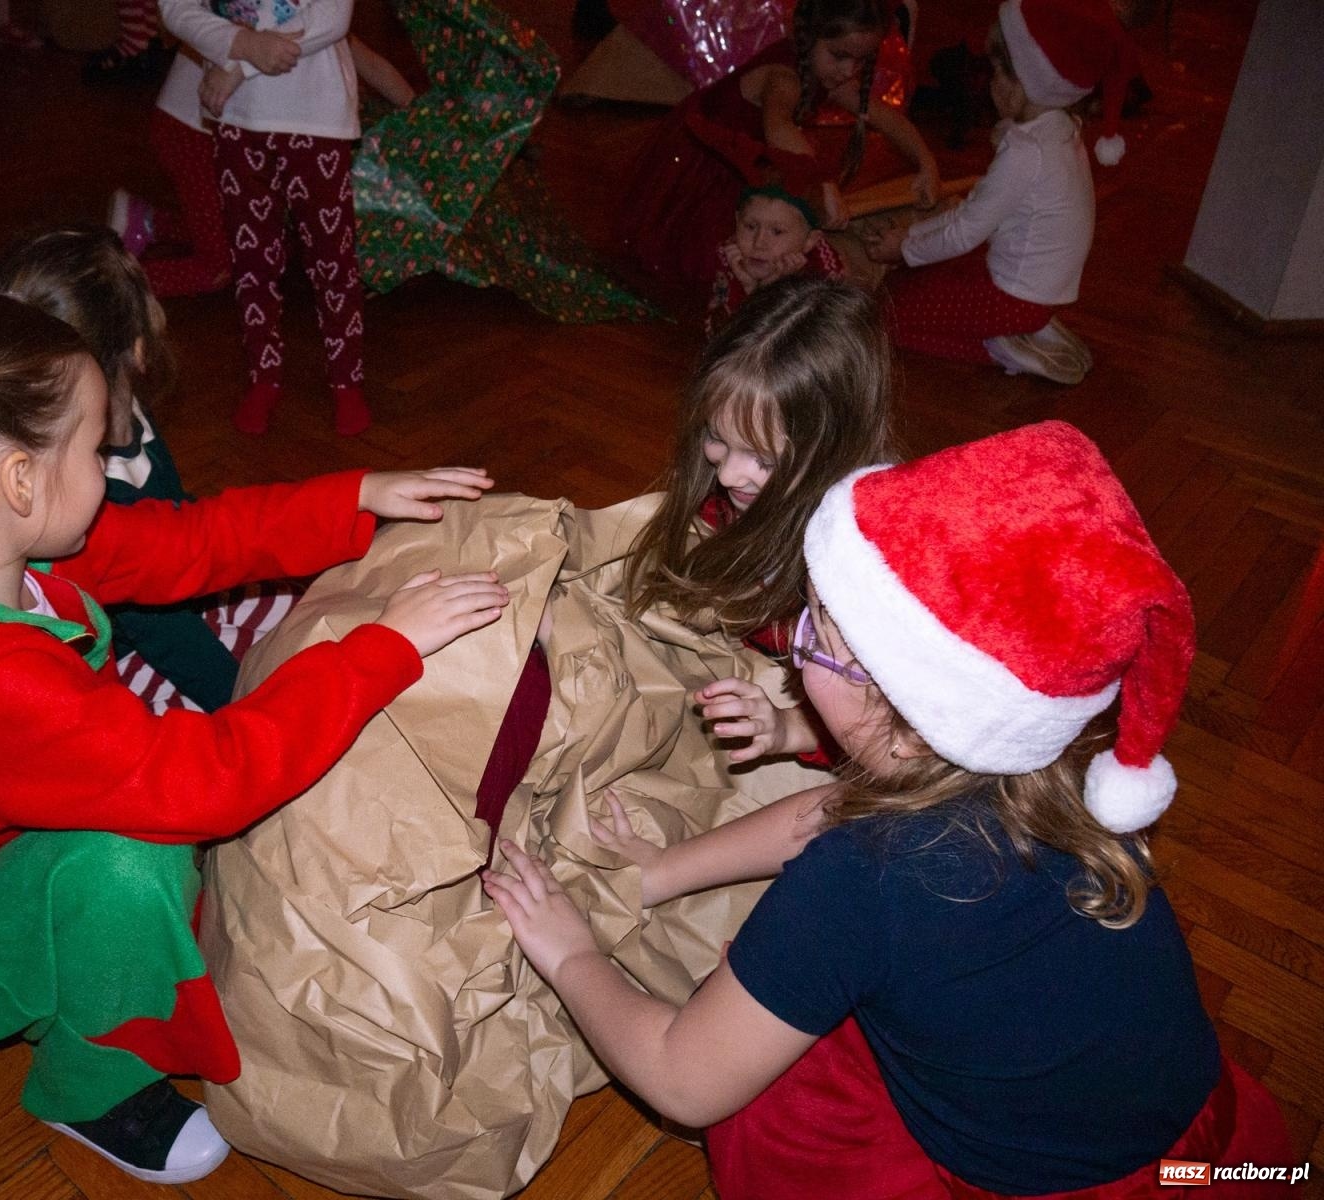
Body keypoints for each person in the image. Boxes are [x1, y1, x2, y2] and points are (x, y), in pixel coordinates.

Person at [0, 279, 509, 1185]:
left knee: (115, 817)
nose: (114, 468)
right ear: (20, 481)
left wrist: (360, 493)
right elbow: (214, 780)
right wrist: (385, 649)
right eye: (99, 450)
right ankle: (91, 1088)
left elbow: (189, 542)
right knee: (141, 859)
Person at [485, 420, 1294, 1198]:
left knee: (766, 1099)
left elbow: (682, 1083)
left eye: (818, 638)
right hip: (1208, 1151)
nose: (796, 643)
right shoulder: (1058, 777)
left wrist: (572, 955)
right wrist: (659, 870)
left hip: (1063, 1188)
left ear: (910, 723)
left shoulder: (863, 880)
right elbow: (837, 806)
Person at [0, 224, 298, 713]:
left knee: (295, 595)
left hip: (166, 596)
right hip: (119, 658)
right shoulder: (85, 498)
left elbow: (177, 518)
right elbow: (166, 635)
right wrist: (252, 709)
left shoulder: (127, 418)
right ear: (136, 347)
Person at [626, 277, 899, 768]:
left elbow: (886, 739)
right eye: (716, 437)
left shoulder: (870, 567)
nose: (728, 473)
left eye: (764, 461)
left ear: (836, 452)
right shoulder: (734, 491)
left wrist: (792, 729)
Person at [864, 0, 1137, 384]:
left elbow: (965, 229)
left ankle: (1004, 348)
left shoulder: (1025, 153)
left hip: (1014, 299)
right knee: (925, 277)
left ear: (1025, 83)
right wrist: (912, 243)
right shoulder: (1062, 129)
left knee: (889, 318)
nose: (989, 81)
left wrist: (904, 248)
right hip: (1036, 294)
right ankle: (1029, 331)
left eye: (996, 71)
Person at [159, 0, 374, 437]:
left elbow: (332, 18)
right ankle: (264, 375)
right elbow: (176, 8)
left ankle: (347, 380)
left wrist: (241, 64)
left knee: (332, 258)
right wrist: (241, 43)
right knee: (252, 258)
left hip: (316, 119)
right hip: (238, 118)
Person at [622, 0, 938, 288]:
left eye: (860, 61)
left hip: (748, 159)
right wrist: (824, 183)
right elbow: (779, 129)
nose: (848, 71)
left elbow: (886, 117)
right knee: (723, 254)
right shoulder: (784, 78)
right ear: (808, 37)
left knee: (775, 232)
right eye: (839, 56)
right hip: (708, 161)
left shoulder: (827, 74)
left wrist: (926, 162)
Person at [108, 34, 414, 302]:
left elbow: (368, 62)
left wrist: (423, 116)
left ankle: (149, 221)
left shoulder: (314, 18)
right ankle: (109, 289)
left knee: (258, 239)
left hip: (209, 130)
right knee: (222, 265)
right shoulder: (286, 16)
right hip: (192, 133)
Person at [706, 185, 844, 336]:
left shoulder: (823, 270)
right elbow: (718, 337)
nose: (759, 243)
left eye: (777, 231)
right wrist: (749, 291)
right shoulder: (728, 256)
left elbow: (815, 343)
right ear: (737, 221)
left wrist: (777, 288)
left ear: (809, 241)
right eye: (750, 227)